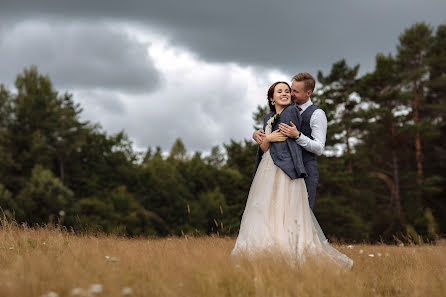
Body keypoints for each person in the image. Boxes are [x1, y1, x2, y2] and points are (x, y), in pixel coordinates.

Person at [231, 81, 352, 268]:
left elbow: (314, 145)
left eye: (288, 91)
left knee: (287, 209)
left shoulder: (293, 111)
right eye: (280, 91)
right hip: (268, 168)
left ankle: (292, 254)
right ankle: (266, 252)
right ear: (271, 98)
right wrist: (266, 137)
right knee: (265, 209)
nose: (286, 93)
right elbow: (263, 147)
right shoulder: (268, 118)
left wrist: (292, 135)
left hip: (287, 168)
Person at [253, 73, 327, 210]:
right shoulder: (281, 112)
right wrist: (258, 134)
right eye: (291, 89)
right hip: (282, 167)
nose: (291, 94)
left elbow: (319, 148)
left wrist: (298, 135)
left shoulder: (317, 114)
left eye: (295, 91)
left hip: (306, 168)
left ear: (308, 93)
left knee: (302, 212)